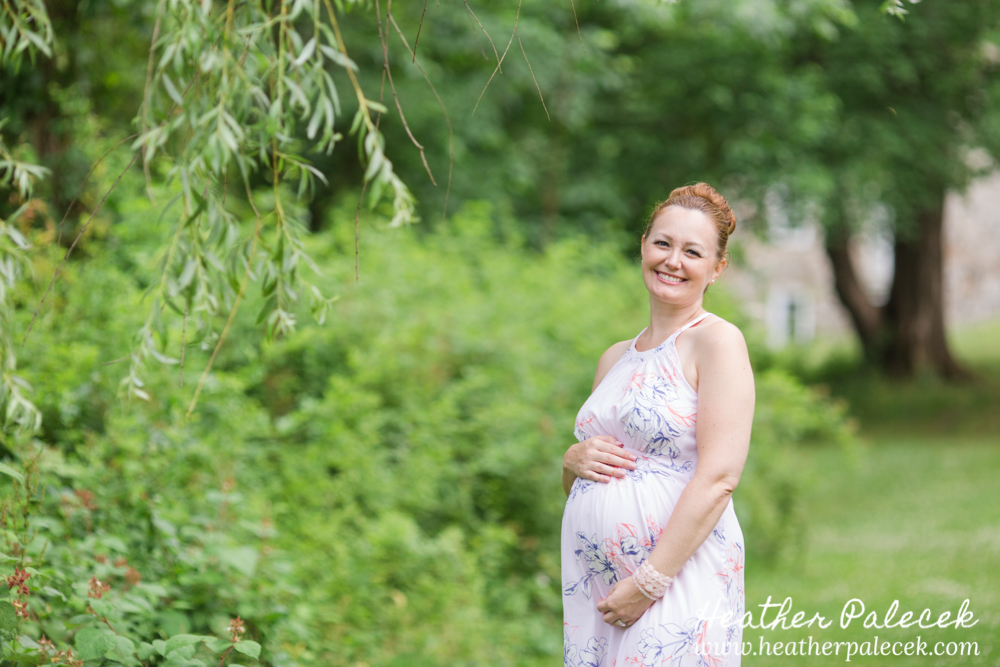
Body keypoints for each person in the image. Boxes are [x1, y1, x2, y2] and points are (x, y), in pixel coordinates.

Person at [560, 183, 755, 667]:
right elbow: (586, 480)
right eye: (663, 243)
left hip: (674, 582)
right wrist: (571, 460)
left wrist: (647, 584)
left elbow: (719, 478)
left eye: (693, 252)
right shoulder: (614, 358)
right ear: (643, 245)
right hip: (599, 589)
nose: (673, 260)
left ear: (717, 269)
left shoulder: (717, 342)